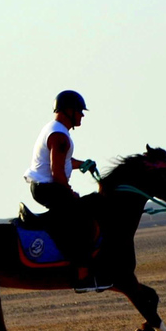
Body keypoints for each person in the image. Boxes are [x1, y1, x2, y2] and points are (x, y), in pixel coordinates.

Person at [23, 90, 109, 292]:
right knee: (82, 219)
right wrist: (70, 193)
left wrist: (82, 164)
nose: (82, 115)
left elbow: (64, 161)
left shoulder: (56, 130)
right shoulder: (59, 136)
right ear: (68, 110)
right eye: (79, 111)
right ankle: (82, 274)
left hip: (45, 187)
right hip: (49, 188)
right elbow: (57, 172)